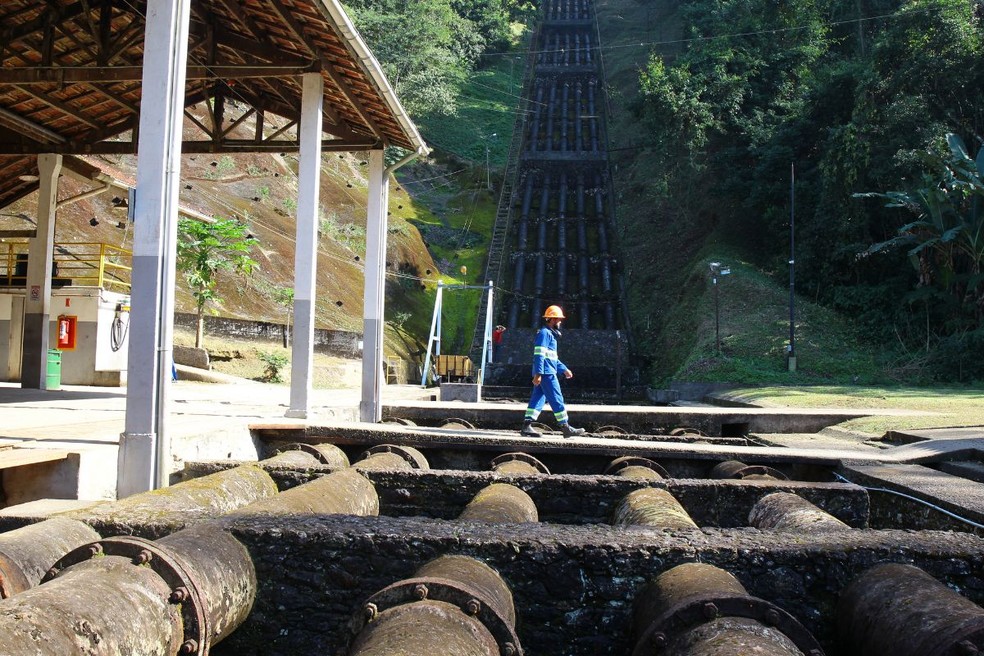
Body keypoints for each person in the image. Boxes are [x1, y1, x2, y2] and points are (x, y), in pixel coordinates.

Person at [520, 305, 585, 438]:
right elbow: (539, 355)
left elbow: (552, 358)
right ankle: (566, 427)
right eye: (559, 319)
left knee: (538, 398)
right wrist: (538, 374)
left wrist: (564, 369)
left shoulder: (550, 334)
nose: (560, 322)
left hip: (546, 371)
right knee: (557, 398)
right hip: (546, 373)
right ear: (553, 320)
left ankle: (526, 426)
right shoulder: (544, 333)